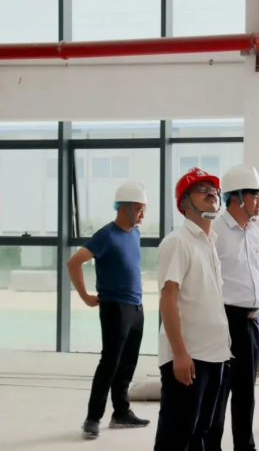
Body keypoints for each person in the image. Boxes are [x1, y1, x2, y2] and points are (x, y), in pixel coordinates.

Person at [153, 167, 232, 451]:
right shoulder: (178, 242)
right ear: (184, 202)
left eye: (213, 190)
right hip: (190, 356)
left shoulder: (209, 242)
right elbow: (168, 299)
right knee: (177, 436)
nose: (211, 193)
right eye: (201, 189)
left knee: (201, 433)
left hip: (215, 354)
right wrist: (179, 353)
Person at [67, 181, 150, 439]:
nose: (143, 214)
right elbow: (73, 262)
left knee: (128, 363)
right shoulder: (106, 235)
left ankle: (121, 413)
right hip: (115, 307)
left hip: (136, 307)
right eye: (139, 209)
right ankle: (93, 418)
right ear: (124, 208)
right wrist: (85, 296)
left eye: (144, 209)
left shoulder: (134, 234)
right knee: (110, 362)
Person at [210, 164, 259, 450]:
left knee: (246, 391)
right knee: (219, 391)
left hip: (253, 321)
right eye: (255, 195)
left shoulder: (254, 232)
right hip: (226, 320)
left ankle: (245, 446)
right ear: (237, 197)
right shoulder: (215, 232)